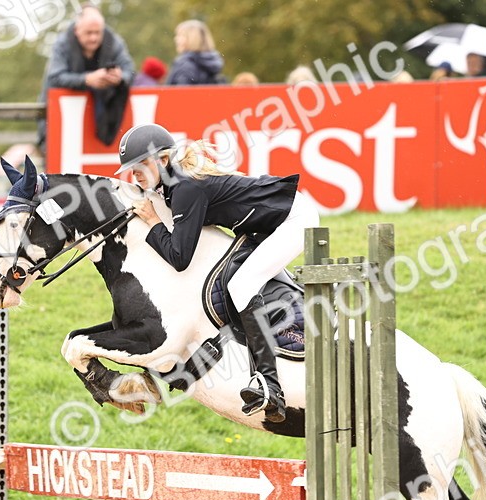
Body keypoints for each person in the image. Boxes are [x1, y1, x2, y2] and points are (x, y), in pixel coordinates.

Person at [118, 123, 319, 423]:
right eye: (131, 170)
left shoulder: (185, 187)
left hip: (292, 220)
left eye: (139, 166)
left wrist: (152, 223)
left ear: (161, 160)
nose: (134, 175)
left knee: (242, 285)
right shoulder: (173, 184)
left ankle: (270, 385)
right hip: (265, 224)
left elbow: (179, 257)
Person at [38, 5, 134, 151]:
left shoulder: (114, 41)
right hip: (62, 120)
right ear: (77, 30)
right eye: (89, 33)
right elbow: (55, 78)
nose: (93, 38)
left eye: (97, 33)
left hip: (102, 121)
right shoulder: (62, 43)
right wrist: (87, 79)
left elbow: (130, 71)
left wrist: (119, 78)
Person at [165, 20, 225, 86]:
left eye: (180, 36)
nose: (176, 39)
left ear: (192, 39)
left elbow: (181, 94)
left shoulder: (185, 66)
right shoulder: (212, 62)